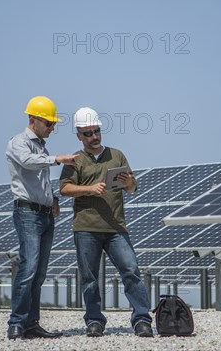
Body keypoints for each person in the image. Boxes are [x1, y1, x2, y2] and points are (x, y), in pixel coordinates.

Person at [59, 107, 154, 338]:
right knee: (89, 278)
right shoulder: (74, 160)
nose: (94, 137)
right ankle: (94, 321)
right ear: (79, 136)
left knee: (131, 271)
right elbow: (64, 189)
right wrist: (89, 189)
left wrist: (128, 181)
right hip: (86, 228)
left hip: (116, 228)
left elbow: (132, 189)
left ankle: (142, 320)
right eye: (88, 133)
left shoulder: (117, 155)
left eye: (97, 131)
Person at [6, 96, 78, 340]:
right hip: (27, 214)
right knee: (27, 269)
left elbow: (40, 182)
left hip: (46, 215)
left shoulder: (42, 148)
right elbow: (28, 163)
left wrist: (53, 199)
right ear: (33, 120)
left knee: (39, 274)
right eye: (48, 123)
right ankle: (16, 323)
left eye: (52, 124)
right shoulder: (18, 143)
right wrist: (57, 159)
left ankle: (31, 323)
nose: (52, 128)